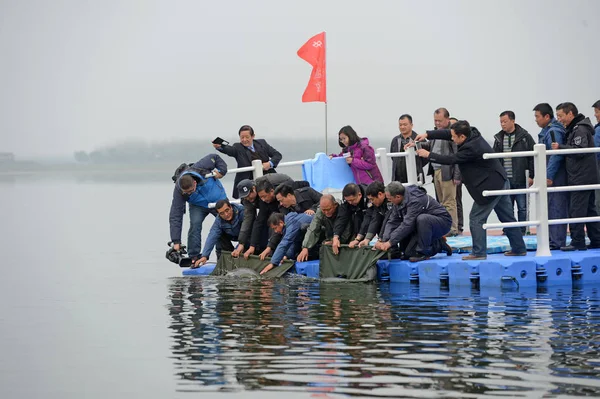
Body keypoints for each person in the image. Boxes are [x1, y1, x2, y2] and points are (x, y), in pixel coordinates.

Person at [414, 120, 527, 260]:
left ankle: (479, 253)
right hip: (499, 180)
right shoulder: (472, 132)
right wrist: (428, 134)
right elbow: (448, 133)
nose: (452, 139)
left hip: (490, 186)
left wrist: (428, 155)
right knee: (507, 217)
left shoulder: (471, 148)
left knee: (476, 218)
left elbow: (451, 159)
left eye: (455, 137)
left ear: (462, 137)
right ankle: (519, 248)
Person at [552, 102, 600, 251]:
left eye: (560, 116)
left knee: (576, 210)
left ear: (570, 114)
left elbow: (580, 150)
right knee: (590, 210)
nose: (559, 119)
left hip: (581, 177)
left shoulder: (579, 129)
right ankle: (597, 240)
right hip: (586, 175)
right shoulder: (577, 128)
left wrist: (561, 147)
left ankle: (577, 241)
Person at [169, 154, 228, 262]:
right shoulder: (178, 190)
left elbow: (215, 157)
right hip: (198, 206)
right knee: (195, 225)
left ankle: (223, 254)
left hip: (219, 201)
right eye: (186, 193)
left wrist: (222, 171)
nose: (189, 193)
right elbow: (175, 215)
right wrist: (176, 241)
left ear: (195, 183)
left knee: (223, 223)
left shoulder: (201, 166)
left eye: (191, 191)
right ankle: (194, 257)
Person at [374, 182, 453, 262]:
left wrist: (390, 242)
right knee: (407, 253)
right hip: (422, 227)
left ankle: (430, 249)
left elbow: (407, 224)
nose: (389, 201)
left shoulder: (415, 200)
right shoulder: (399, 200)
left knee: (422, 218)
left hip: (442, 223)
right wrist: (384, 240)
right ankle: (435, 242)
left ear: (397, 197)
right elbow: (392, 221)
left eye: (390, 199)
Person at [231, 173, 294, 258]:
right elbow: (252, 220)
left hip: (283, 188)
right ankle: (264, 250)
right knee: (266, 223)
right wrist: (243, 243)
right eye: (245, 197)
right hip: (269, 200)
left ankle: (280, 253)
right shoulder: (249, 199)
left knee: (280, 222)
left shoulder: (267, 188)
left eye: (249, 195)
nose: (248, 198)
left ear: (254, 189)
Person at [493, 111, 536, 234]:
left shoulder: (525, 137)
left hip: (521, 177)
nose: (503, 124)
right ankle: (509, 230)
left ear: (513, 121)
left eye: (505, 121)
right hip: (505, 179)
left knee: (522, 207)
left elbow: (532, 157)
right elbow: (494, 158)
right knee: (507, 207)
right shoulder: (498, 138)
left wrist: (531, 175)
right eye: (501, 122)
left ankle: (522, 230)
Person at [213, 125, 282, 199]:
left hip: (267, 180)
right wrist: (220, 147)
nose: (244, 140)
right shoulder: (238, 147)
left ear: (253, 136)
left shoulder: (262, 143)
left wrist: (269, 163)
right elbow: (230, 150)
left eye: (247, 137)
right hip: (247, 183)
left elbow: (277, 155)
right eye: (242, 137)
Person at [533, 103, 568, 249]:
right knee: (549, 208)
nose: (535, 120)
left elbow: (555, 155)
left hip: (556, 175)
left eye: (537, 116)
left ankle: (557, 241)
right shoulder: (549, 131)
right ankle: (552, 240)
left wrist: (549, 175)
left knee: (556, 207)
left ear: (547, 116)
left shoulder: (553, 131)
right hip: (549, 173)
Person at [421, 108, 460, 236]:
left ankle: (453, 228)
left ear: (447, 119)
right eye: (435, 120)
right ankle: (445, 227)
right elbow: (431, 147)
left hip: (448, 171)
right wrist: (417, 145)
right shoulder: (435, 133)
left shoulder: (453, 133)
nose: (437, 123)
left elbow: (458, 155)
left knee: (449, 201)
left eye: (440, 120)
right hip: (436, 170)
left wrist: (457, 175)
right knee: (441, 202)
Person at [191, 200, 246, 268]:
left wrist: (238, 247)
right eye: (222, 213)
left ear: (231, 207)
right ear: (218, 214)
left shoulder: (242, 211)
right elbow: (212, 236)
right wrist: (205, 256)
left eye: (227, 210)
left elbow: (248, 231)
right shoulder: (219, 220)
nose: (226, 214)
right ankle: (225, 262)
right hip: (232, 235)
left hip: (247, 236)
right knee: (218, 236)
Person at [297, 195, 352, 262]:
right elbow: (313, 229)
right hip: (330, 233)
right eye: (324, 210)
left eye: (328, 209)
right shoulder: (320, 211)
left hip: (347, 237)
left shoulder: (342, 209)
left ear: (335, 205)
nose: (326, 212)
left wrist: (336, 241)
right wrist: (305, 247)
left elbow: (348, 230)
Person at [331, 183, 369, 255]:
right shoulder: (346, 201)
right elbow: (341, 218)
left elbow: (368, 220)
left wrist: (359, 238)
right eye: (348, 201)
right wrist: (336, 236)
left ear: (359, 195)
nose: (350, 203)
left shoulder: (369, 197)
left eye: (352, 200)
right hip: (356, 217)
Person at [351, 181, 390, 248]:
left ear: (380, 194)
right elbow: (374, 220)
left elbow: (390, 222)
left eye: (372, 199)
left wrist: (381, 239)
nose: (371, 202)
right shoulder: (378, 204)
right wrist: (366, 239)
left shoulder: (391, 201)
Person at [390, 114, 426, 183]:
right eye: (400, 125)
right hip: (398, 179)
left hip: (415, 177)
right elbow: (393, 157)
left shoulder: (419, 139)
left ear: (411, 125)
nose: (402, 127)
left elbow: (425, 158)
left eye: (405, 124)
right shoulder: (395, 140)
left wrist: (418, 166)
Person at [592, 100, 600, 214]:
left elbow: (595, 151)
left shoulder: (598, 129)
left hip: (598, 168)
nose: (595, 114)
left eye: (597, 111)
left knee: (597, 202)